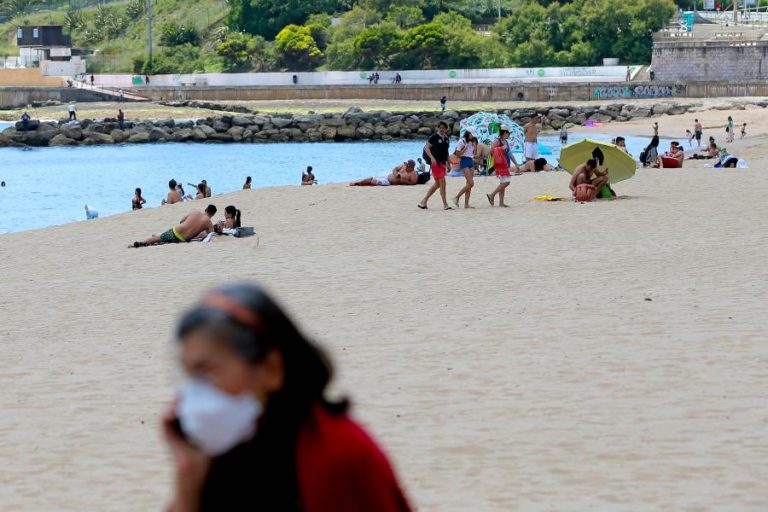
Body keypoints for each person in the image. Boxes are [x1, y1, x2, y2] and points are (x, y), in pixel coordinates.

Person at [161, 284, 412, 511]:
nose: (193, 394)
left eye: (207, 371)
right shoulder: (213, 454)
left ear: (271, 369)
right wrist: (188, 478)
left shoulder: (341, 455)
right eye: (189, 376)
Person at [133, 205, 218, 247]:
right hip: (183, 239)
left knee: (158, 238)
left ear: (206, 209)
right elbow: (211, 234)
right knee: (160, 239)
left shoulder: (194, 211)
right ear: (212, 214)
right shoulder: (208, 222)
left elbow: (181, 221)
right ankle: (152, 239)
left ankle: (143, 243)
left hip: (176, 231)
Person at [418, 121, 451, 210]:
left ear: (446, 129)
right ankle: (445, 205)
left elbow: (446, 152)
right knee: (442, 184)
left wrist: (449, 163)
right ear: (438, 128)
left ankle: (423, 201)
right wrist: (432, 158)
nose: (441, 129)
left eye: (443, 128)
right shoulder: (434, 137)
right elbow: (426, 147)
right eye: (440, 127)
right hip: (436, 163)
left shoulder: (447, 139)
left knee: (437, 184)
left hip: (442, 163)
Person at [486, 128, 516, 207]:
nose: (509, 135)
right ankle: (492, 195)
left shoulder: (506, 142)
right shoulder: (497, 141)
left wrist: (516, 164)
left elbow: (509, 154)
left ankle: (501, 203)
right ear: (505, 133)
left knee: (503, 183)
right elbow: (491, 151)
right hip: (499, 164)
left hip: (505, 164)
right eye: (508, 133)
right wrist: (500, 149)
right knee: (507, 182)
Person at [452, 131, 476, 208]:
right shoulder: (461, 141)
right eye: (471, 134)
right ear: (468, 134)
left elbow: (474, 154)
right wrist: (464, 149)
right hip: (464, 161)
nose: (472, 136)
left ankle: (466, 204)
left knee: (468, 184)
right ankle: (456, 197)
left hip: (470, 161)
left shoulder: (473, 141)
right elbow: (457, 154)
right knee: (471, 183)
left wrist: (475, 146)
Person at [350, 160, 418, 186]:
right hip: (388, 174)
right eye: (406, 165)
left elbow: (413, 183)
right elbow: (395, 169)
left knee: (373, 181)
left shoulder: (413, 174)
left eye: (408, 166)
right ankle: (357, 183)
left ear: (411, 167)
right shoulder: (403, 166)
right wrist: (396, 174)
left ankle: (357, 184)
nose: (406, 166)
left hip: (388, 181)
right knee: (372, 177)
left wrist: (404, 180)